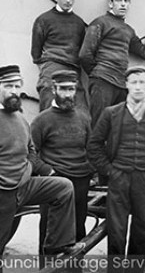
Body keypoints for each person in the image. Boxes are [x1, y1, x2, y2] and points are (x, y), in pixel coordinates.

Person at [87, 66, 145, 272]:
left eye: (142, 83)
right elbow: (94, 145)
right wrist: (109, 170)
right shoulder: (111, 113)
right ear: (126, 85)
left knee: (140, 230)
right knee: (116, 231)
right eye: (134, 82)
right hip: (118, 177)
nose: (138, 87)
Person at [0, 65, 82, 258]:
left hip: (23, 186)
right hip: (3, 192)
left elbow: (30, 149)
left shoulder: (20, 118)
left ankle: (56, 245)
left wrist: (27, 169)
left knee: (63, 188)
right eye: (8, 86)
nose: (14, 91)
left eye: (17, 86)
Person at [79, 0, 145, 126]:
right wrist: (98, 73)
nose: (123, 4)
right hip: (103, 81)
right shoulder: (100, 23)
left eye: (126, 1)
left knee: (117, 126)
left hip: (121, 85)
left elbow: (144, 53)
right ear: (110, 3)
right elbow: (85, 54)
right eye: (119, 0)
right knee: (97, 123)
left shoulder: (128, 30)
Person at [31, 70, 93, 249]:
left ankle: (75, 268)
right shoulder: (42, 120)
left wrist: (91, 169)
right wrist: (47, 171)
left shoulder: (83, 118)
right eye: (63, 89)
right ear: (53, 89)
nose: (68, 94)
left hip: (80, 180)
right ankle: (46, 268)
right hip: (55, 181)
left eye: (71, 89)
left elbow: (92, 149)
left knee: (78, 229)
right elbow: (30, 153)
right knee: (50, 230)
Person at [31, 0, 87, 111]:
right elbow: (35, 52)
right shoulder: (43, 20)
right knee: (49, 107)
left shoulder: (79, 23)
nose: (68, 0)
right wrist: (47, 67)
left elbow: (82, 51)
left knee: (79, 111)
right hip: (51, 67)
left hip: (73, 69)